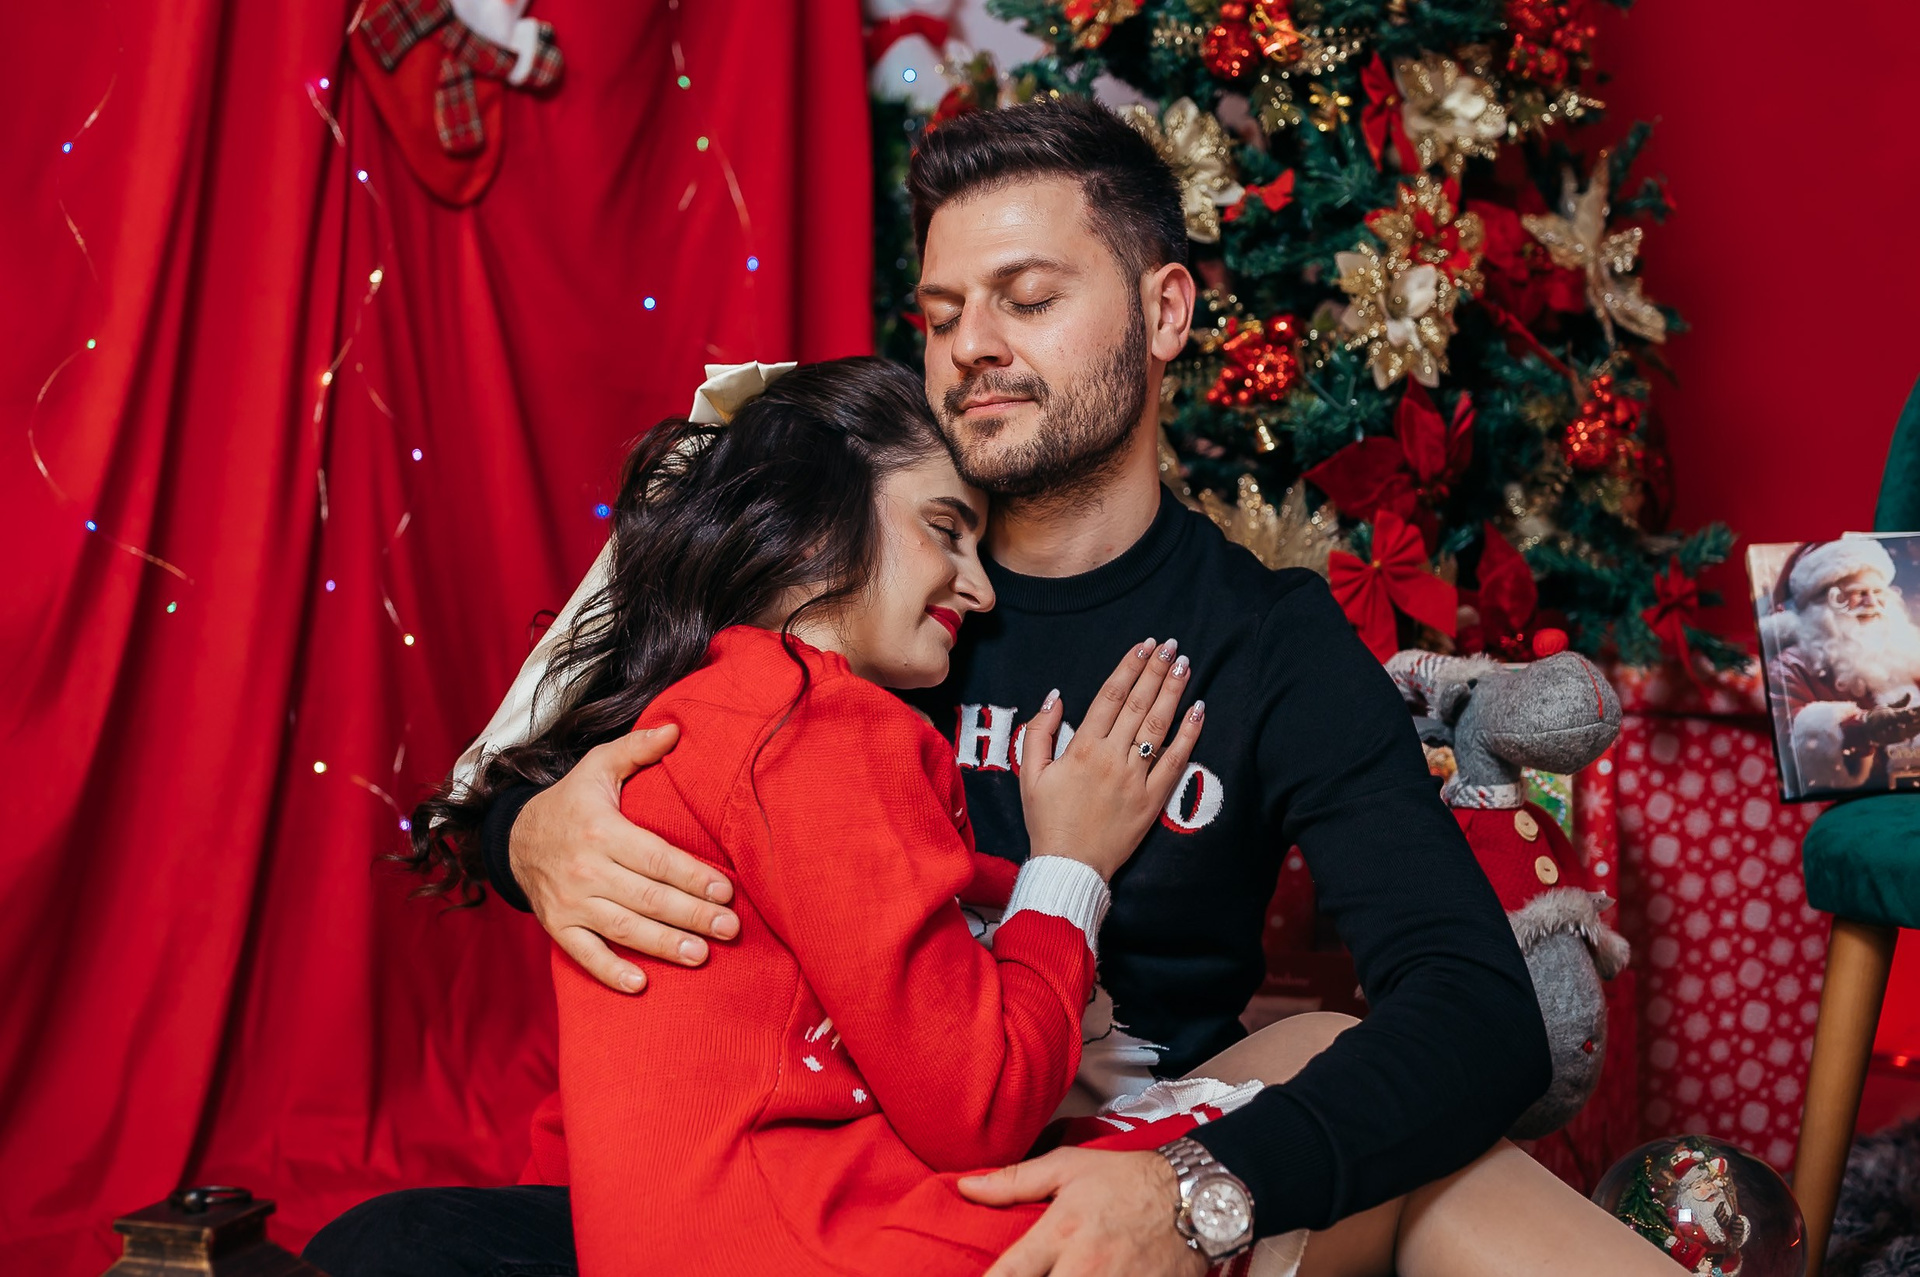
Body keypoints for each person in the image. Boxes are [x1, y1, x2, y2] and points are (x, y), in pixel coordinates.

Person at [313, 99, 1679, 1276]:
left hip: (1105, 1157)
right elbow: (523, 779)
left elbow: (1474, 1009)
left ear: (1164, 311)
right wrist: (536, 832)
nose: (971, 344)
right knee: (392, 1245)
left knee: (1338, 1059)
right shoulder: (835, 564)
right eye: (942, 313)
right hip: (804, 1184)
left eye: (1027, 299)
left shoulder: (1270, 639)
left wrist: (1190, 1194)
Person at [1762, 537, 1920, 792]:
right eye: (1859, 593)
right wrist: (1862, 729)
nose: (1873, 602)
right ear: (1822, 605)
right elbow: (1786, 741)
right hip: (1855, 799)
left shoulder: (1907, 651)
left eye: (1878, 592)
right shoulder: (1790, 667)